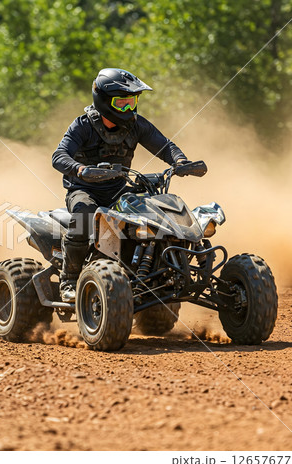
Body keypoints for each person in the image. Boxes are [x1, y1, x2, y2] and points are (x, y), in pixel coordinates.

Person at [52, 68, 190, 302]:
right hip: (84, 190)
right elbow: (59, 155)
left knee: (155, 213)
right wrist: (81, 169)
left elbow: (164, 145)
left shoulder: (136, 125)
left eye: (132, 102)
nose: (129, 109)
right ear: (104, 100)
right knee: (84, 214)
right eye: (122, 103)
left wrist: (180, 161)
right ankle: (69, 279)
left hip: (119, 191)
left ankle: (152, 275)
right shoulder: (83, 125)